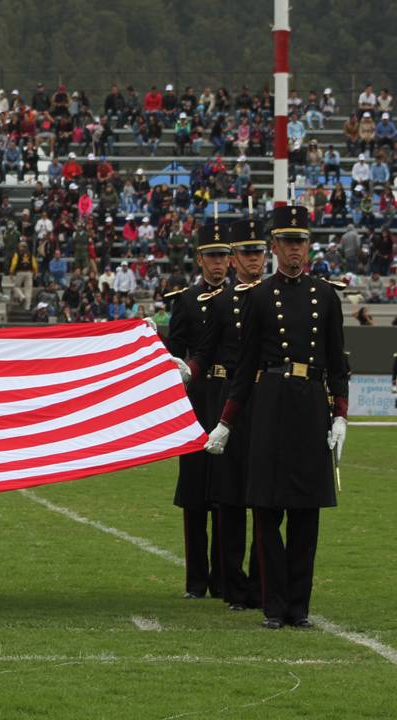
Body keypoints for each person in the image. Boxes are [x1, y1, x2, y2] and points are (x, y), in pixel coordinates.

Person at [205, 205, 348, 630]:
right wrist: (227, 423)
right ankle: (273, 605)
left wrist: (340, 415)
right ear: (275, 247)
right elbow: (245, 368)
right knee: (267, 511)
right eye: (287, 243)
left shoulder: (326, 296)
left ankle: (298, 607)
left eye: (300, 242)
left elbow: (338, 364)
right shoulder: (260, 297)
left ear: (308, 245)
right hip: (269, 407)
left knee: (306, 514)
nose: (294, 251)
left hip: (309, 409)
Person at [184, 217, 266, 611]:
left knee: (267, 500)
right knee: (228, 498)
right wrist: (188, 371)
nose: (254, 259)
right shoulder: (218, 304)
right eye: (246, 252)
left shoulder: (273, 298)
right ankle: (230, 585)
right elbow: (202, 350)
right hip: (224, 401)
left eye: (259, 251)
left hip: (266, 404)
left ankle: (259, 581)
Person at [164, 218, 231, 600]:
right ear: (200, 260)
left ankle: (224, 578)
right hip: (196, 402)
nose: (218, 263)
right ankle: (195, 581)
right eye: (211, 257)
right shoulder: (186, 302)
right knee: (194, 497)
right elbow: (177, 357)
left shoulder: (241, 297)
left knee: (226, 495)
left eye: (223, 256)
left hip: (229, 399)